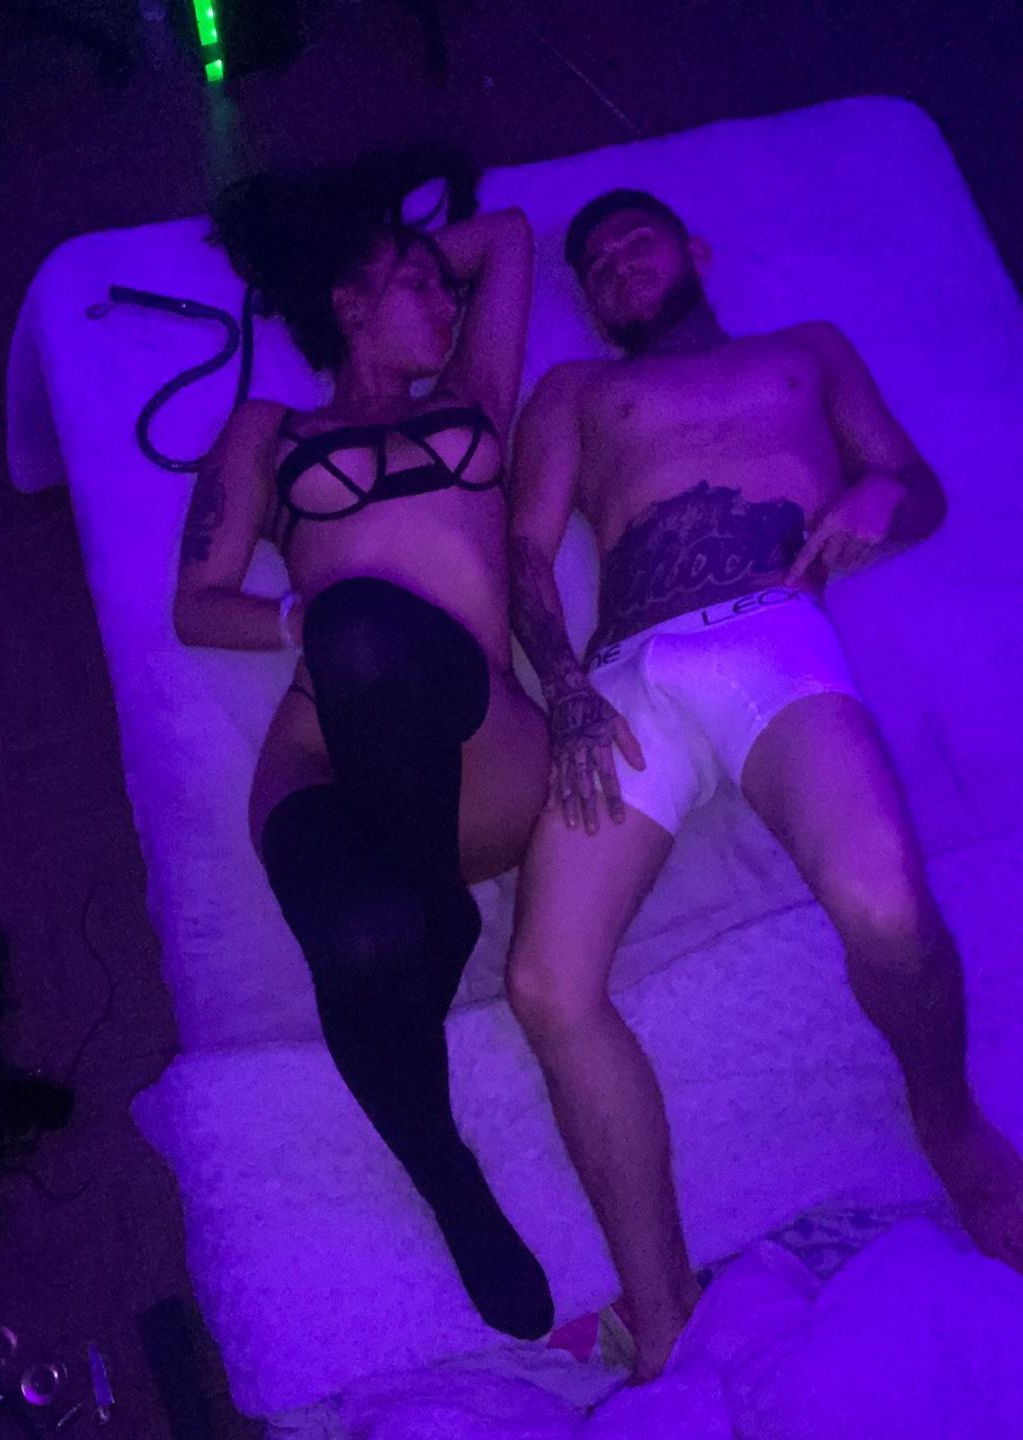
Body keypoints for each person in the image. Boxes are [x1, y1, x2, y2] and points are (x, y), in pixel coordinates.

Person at [505, 187, 1023, 1381]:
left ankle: (948, 1123)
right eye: (595, 265)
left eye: (635, 242)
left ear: (694, 250)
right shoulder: (576, 392)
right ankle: (662, 1313)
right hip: (625, 676)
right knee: (544, 985)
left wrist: (882, 494)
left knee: (887, 910)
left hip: (774, 641)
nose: (617, 267)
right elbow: (526, 549)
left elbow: (914, 485)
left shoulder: (807, 352)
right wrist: (565, 687)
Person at [171, 152, 553, 1340]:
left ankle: (438, 897)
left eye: (441, 285)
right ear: (348, 304)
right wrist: (299, 622)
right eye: (416, 286)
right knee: (365, 934)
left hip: (476, 752)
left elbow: (509, 236)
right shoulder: (268, 431)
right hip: (323, 744)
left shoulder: (475, 393)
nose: (446, 300)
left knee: (369, 631)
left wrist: (372, 232)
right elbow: (196, 607)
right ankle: (447, 1175)